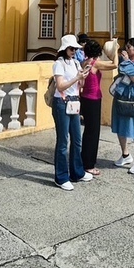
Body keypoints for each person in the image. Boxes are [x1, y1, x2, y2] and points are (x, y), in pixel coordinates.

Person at [52, 34, 92, 190]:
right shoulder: (58, 64)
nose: (74, 51)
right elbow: (60, 86)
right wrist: (77, 78)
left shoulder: (76, 63)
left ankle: (77, 172)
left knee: (77, 139)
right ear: (64, 49)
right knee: (63, 142)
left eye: (75, 48)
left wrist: (83, 75)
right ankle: (61, 177)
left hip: (74, 102)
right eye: (71, 48)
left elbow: (79, 84)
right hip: (61, 103)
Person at [80, 39, 116, 176]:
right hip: (93, 99)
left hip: (86, 98)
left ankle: (85, 159)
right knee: (93, 133)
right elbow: (115, 65)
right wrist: (116, 50)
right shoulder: (95, 64)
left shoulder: (85, 63)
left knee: (88, 131)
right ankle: (89, 165)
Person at [111, 37, 134, 174]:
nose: (127, 49)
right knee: (120, 127)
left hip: (132, 99)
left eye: (129, 47)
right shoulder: (123, 60)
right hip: (121, 96)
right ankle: (125, 155)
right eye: (126, 46)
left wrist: (127, 62)